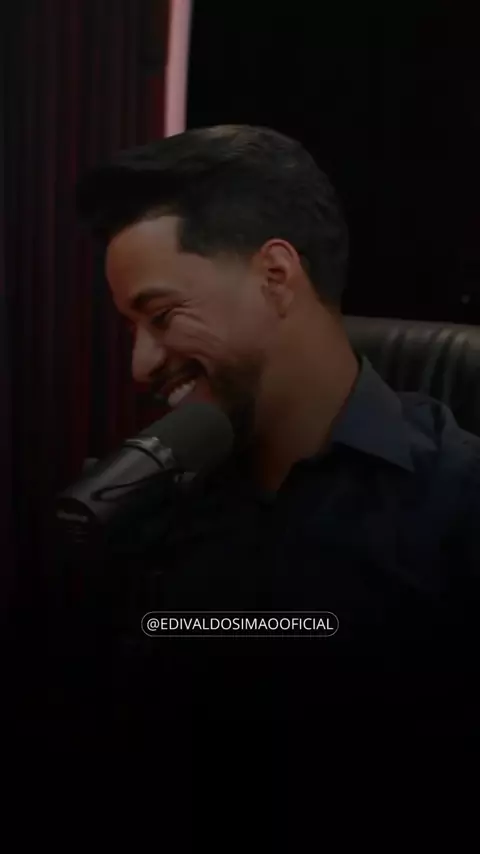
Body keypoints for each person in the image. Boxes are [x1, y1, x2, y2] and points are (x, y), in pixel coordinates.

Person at [74, 125, 480, 736]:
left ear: (276, 276)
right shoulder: (147, 506)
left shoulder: (459, 503)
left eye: (162, 315)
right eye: (133, 328)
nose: (141, 364)